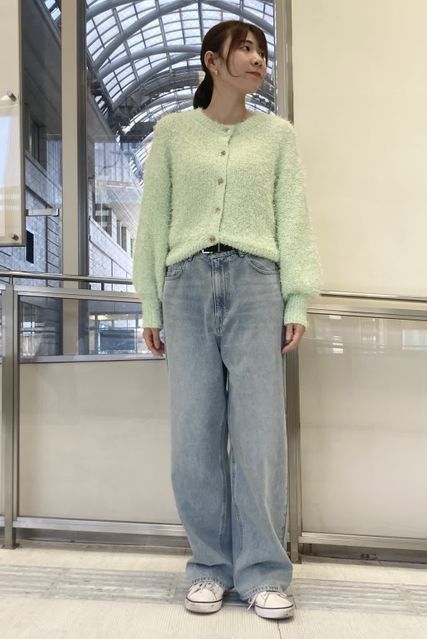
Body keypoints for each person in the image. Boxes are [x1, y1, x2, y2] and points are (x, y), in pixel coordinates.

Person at [132, 19, 323, 621]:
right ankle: (209, 568)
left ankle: (264, 573)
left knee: (260, 434)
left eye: (261, 51)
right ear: (212, 61)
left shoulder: (277, 136)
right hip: (186, 285)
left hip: (256, 285)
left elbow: (292, 216)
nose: (257, 60)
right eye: (245, 49)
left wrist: (297, 298)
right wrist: (150, 303)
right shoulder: (173, 132)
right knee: (194, 435)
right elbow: (154, 220)